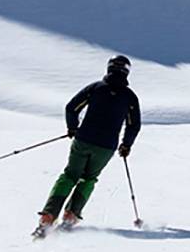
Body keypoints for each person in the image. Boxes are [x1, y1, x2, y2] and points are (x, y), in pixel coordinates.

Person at [35, 55, 141, 236]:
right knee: (89, 178)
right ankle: (71, 215)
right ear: (126, 72)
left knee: (70, 175)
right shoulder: (130, 97)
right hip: (106, 147)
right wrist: (126, 145)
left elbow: (72, 108)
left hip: (84, 139)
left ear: (109, 68)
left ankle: (48, 216)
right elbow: (134, 125)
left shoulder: (96, 88)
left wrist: (72, 128)